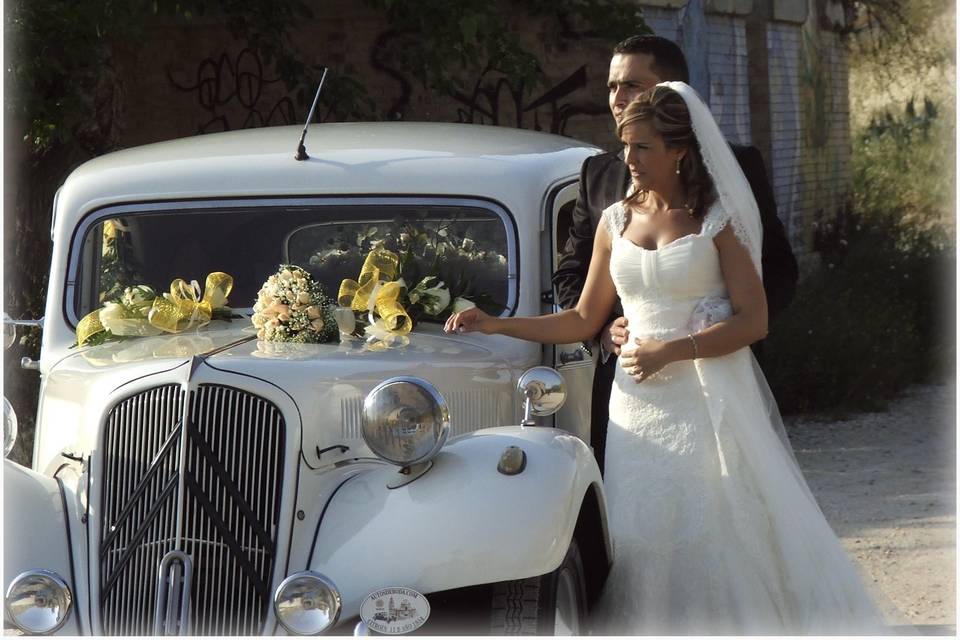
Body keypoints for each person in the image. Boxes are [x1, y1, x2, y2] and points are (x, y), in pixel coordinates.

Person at [445, 83, 883, 634]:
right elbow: (583, 320)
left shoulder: (715, 221)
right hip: (636, 403)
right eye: (625, 146)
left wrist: (672, 351)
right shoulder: (613, 221)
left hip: (708, 395)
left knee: (714, 523)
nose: (629, 159)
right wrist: (495, 321)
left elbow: (755, 320)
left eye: (643, 147)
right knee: (641, 530)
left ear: (678, 150)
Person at [553, 35, 798, 474]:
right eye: (611, 87)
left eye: (632, 85)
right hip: (630, 385)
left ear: (671, 91)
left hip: (718, 380)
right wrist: (605, 328)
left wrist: (721, 327)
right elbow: (571, 275)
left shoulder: (736, 165)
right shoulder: (598, 174)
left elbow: (778, 267)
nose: (618, 98)